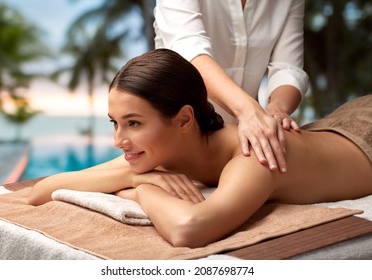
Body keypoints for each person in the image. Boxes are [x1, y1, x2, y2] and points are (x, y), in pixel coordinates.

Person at [28, 49, 372, 248]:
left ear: (183, 119)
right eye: (114, 123)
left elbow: (189, 230)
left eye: (133, 123)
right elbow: (42, 191)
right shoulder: (159, 153)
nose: (119, 140)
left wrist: (142, 189)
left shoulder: (252, 154)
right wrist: (135, 180)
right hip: (329, 128)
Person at [153, 0, 309, 173]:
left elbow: (287, 67)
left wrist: (278, 108)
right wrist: (248, 110)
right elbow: (188, 49)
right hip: (178, 136)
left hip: (241, 142)